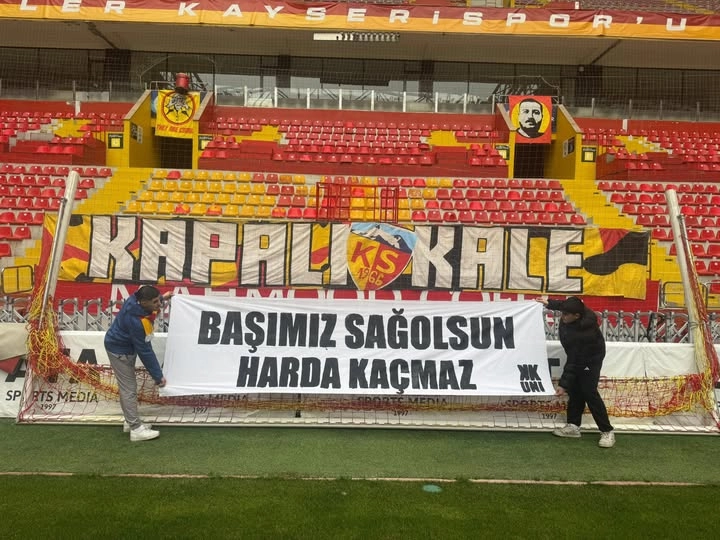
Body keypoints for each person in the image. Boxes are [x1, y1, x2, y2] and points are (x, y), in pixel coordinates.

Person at [537, 296, 615, 448]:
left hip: (590, 360)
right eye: (563, 313)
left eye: (566, 314)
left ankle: (607, 431)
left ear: (577, 316)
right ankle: (573, 426)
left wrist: (563, 384)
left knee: (589, 392)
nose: (562, 316)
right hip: (577, 356)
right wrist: (550, 303)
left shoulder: (583, 334)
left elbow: (574, 361)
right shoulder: (575, 311)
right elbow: (564, 305)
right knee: (575, 390)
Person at [105, 285, 172, 442]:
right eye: (155, 302)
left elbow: (149, 298)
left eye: (158, 300)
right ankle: (135, 429)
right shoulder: (136, 322)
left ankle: (131, 421)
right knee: (128, 389)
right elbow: (145, 351)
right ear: (143, 302)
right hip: (119, 351)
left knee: (128, 388)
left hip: (125, 347)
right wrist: (158, 376)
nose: (159, 304)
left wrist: (163, 297)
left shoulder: (135, 300)